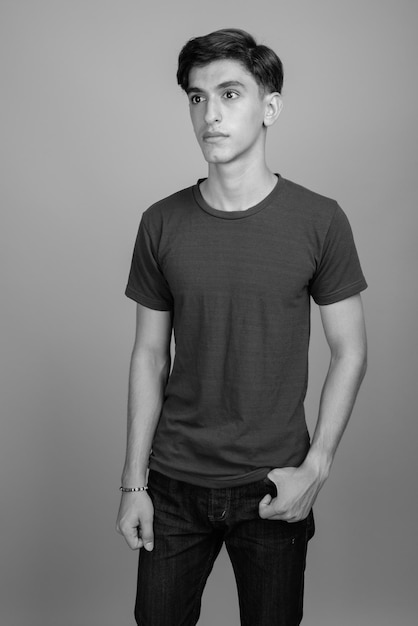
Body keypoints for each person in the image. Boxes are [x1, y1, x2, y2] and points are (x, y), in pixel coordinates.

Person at [116, 28, 367, 626]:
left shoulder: (320, 220)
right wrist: (133, 483)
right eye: (198, 98)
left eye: (230, 94)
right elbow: (149, 357)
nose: (210, 114)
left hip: (273, 484)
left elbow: (350, 350)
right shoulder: (160, 223)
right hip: (174, 482)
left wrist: (318, 466)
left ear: (270, 106)